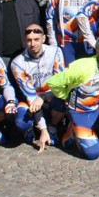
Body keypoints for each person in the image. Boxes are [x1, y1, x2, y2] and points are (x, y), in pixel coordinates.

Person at [10, 24, 65, 152]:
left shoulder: (56, 52)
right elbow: (31, 97)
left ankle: (53, 127)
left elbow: (61, 84)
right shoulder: (17, 63)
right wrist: (42, 130)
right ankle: (31, 127)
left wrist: (44, 96)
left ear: (44, 38)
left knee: (64, 102)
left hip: (51, 95)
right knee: (21, 123)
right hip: (31, 100)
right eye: (29, 40)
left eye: (36, 39)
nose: (32, 44)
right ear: (25, 41)